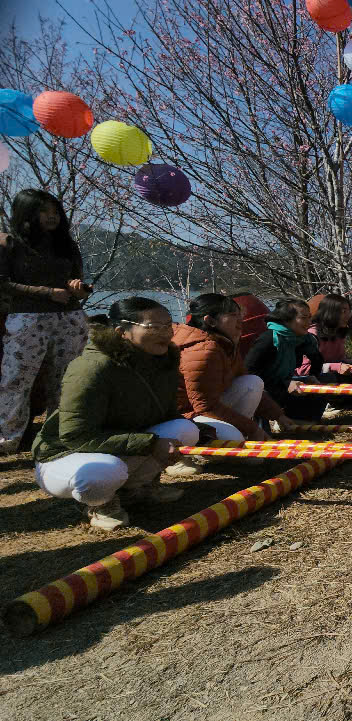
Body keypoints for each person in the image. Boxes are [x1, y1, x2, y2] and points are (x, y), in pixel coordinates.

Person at [31, 297, 199, 531]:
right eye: (153, 327)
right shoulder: (92, 368)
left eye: (167, 325)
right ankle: (101, 502)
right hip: (65, 454)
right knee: (104, 473)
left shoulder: (163, 361)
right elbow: (74, 436)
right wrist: (151, 444)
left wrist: (202, 431)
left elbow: (165, 414)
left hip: (115, 446)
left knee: (185, 430)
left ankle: (137, 487)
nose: (165, 333)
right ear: (122, 332)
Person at [0, 189, 92, 454]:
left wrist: (79, 289)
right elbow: (3, 284)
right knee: (16, 378)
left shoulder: (65, 244)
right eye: (44, 211)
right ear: (27, 213)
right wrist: (46, 292)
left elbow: (78, 283)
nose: (52, 217)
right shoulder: (9, 243)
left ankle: (59, 435)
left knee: (66, 380)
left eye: (55, 212)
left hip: (70, 318)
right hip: (27, 318)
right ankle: (8, 439)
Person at [171, 294, 293, 472]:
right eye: (233, 315)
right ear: (210, 321)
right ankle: (183, 455)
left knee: (252, 382)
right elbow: (205, 406)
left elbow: (242, 377)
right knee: (237, 443)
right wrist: (253, 429)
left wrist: (278, 415)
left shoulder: (224, 342)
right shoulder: (203, 350)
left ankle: (225, 442)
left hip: (202, 410)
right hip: (183, 417)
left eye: (239, 315)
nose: (240, 321)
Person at [246, 299, 347, 421]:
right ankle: (274, 418)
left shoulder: (304, 339)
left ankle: (299, 421)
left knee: (324, 380)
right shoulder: (268, 340)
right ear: (286, 319)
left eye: (309, 317)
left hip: (286, 381)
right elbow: (249, 373)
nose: (309, 322)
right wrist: (285, 384)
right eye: (303, 318)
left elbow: (316, 360)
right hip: (265, 388)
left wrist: (312, 377)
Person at [300, 294, 352, 376]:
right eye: (343, 311)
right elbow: (303, 370)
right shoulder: (311, 336)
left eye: (349, 311)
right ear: (330, 313)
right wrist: (334, 367)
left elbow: (337, 360)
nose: (348, 315)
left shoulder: (338, 333)